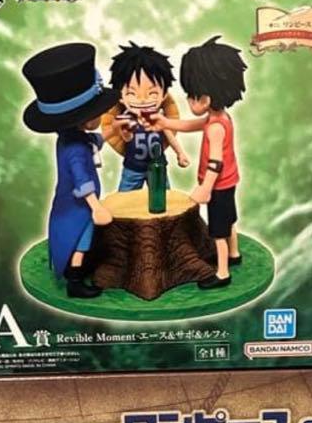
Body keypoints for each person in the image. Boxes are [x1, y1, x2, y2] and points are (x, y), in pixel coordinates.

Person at [150, 36, 246, 289]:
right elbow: (192, 125)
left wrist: (205, 188)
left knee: (218, 231)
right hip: (229, 183)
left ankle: (222, 273)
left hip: (218, 185)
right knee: (229, 220)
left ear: (206, 98)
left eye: (192, 97)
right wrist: (166, 122)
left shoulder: (215, 127)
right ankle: (234, 254)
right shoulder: (219, 118)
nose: (189, 101)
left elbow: (215, 162)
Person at [22, 43, 116, 299]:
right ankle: (75, 281)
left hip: (76, 205)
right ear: (85, 118)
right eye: (98, 113)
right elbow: (82, 181)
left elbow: (94, 142)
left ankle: (80, 268)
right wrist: (96, 207)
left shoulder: (71, 137)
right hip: (78, 208)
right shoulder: (74, 149)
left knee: (84, 240)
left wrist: (112, 132)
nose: (101, 116)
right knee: (81, 241)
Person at [100, 42, 190, 192]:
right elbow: (125, 138)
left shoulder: (159, 119)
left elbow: (170, 136)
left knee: (163, 198)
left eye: (152, 93)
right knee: (125, 199)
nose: (142, 100)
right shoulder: (126, 119)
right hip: (133, 168)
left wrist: (180, 153)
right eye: (132, 93)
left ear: (164, 95)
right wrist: (125, 133)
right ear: (121, 97)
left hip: (158, 167)